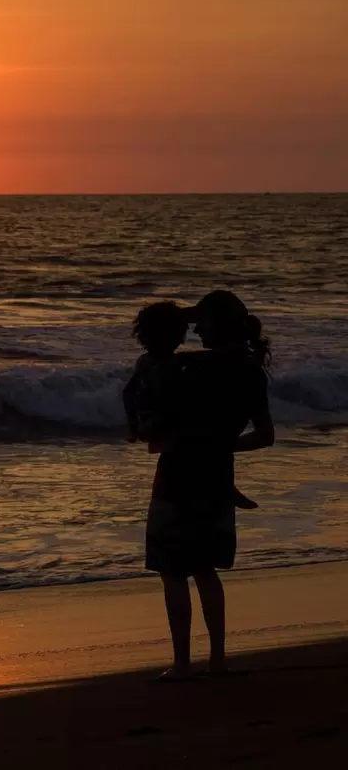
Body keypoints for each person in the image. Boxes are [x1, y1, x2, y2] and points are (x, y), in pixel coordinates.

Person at [143, 291, 275, 680]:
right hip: (219, 478)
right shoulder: (252, 371)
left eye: (202, 322)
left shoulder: (186, 368)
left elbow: (158, 424)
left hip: (177, 475)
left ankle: (182, 664)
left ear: (218, 325)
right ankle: (217, 661)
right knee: (205, 571)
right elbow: (265, 435)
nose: (196, 329)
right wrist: (220, 445)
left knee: (173, 572)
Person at [123, 300, 258, 509]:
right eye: (181, 331)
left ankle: (227, 486)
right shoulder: (174, 365)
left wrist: (133, 423)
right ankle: (227, 487)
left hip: (152, 420)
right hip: (162, 420)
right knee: (212, 453)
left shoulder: (146, 361)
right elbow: (175, 400)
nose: (189, 333)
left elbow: (128, 391)